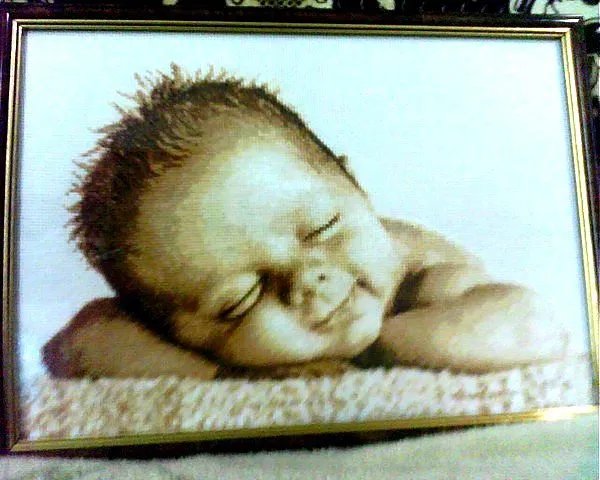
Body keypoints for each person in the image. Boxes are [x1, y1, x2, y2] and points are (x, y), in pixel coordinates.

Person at [43, 66, 567, 380]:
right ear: (173, 331)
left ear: (356, 187)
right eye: (240, 300)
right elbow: (78, 344)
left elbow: (534, 325)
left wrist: (379, 349)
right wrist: (217, 375)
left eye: (323, 228)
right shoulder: (164, 311)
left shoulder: (424, 278)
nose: (308, 280)